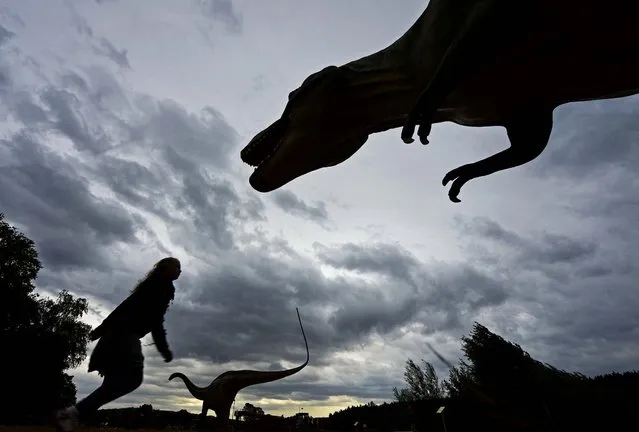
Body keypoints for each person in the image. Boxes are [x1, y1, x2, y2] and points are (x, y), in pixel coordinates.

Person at [54, 257, 182, 432]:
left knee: (111, 384)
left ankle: (73, 415)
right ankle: (72, 413)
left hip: (115, 336)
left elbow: (125, 306)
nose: (179, 270)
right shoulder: (161, 287)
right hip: (124, 336)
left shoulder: (152, 285)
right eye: (177, 267)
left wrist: (103, 328)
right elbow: (155, 321)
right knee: (133, 378)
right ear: (165, 268)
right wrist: (164, 349)